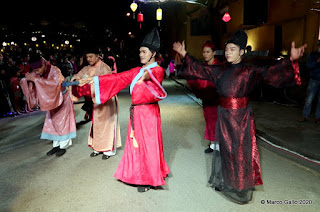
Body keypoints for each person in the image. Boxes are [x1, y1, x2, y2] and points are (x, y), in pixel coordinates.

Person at [173, 30, 306, 204]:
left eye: (233, 49)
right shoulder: (220, 70)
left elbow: (271, 72)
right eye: (227, 49)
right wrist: (184, 54)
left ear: (242, 52)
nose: (228, 52)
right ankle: (225, 180)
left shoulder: (250, 70)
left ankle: (241, 186)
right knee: (225, 150)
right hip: (223, 115)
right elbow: (201, 69)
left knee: (240, 152)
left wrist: (291, 61)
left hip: (241, 118)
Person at [79, 28, 170, 192]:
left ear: (153, 53)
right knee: (137, 145)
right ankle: (140, 173)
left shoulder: (157, 70)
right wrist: (93, 79)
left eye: (144, 52)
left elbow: (157, 88)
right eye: (140, 52)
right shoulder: (138, 70)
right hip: (136, 113)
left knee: (148, 145)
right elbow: (117, 78)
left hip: (149, 113)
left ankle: (149, 178)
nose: (140, 55)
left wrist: (150, 79)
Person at [20, 54, 76, 157]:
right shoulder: (37, 73)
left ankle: (63, 146)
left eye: (38, 69)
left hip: (62, 99)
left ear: (44, 65)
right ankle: (56, 145)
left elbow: (54, 84)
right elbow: (31, 81)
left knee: (63, 122)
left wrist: (35, 80)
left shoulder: (55, 71)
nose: (37, 72)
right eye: (35, 70)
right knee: (53, 122)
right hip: (51, 102)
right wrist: (26, 80)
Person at [70, 46, 121, 160]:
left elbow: (108, 82)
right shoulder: (87, 68)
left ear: (98, 56)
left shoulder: (105, 68)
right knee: (97, 124)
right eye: (87, 57)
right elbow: (77, 76)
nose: (89, 59)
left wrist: (91, 81)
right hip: (96, 100)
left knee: (107, 124)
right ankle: (97, 147)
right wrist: (75, 81)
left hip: (107, 100)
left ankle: (108, 149)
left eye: (91, 56)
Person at [186, 41, 220, 153]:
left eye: (208, 52)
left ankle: (218, 145)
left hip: (216, 99)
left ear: (214, 52)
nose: (205, 54)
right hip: (207, 98)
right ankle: (213, 144)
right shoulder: (203, 66)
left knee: (216, 121)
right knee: (209, 120)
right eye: (204, 52)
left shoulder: (218, 66)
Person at [299, 40, 320, 124]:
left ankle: (318, 117)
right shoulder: (312, 55)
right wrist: (317, 62)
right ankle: (305, 115)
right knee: (309, 99)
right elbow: (308, 66)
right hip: (314, 80)